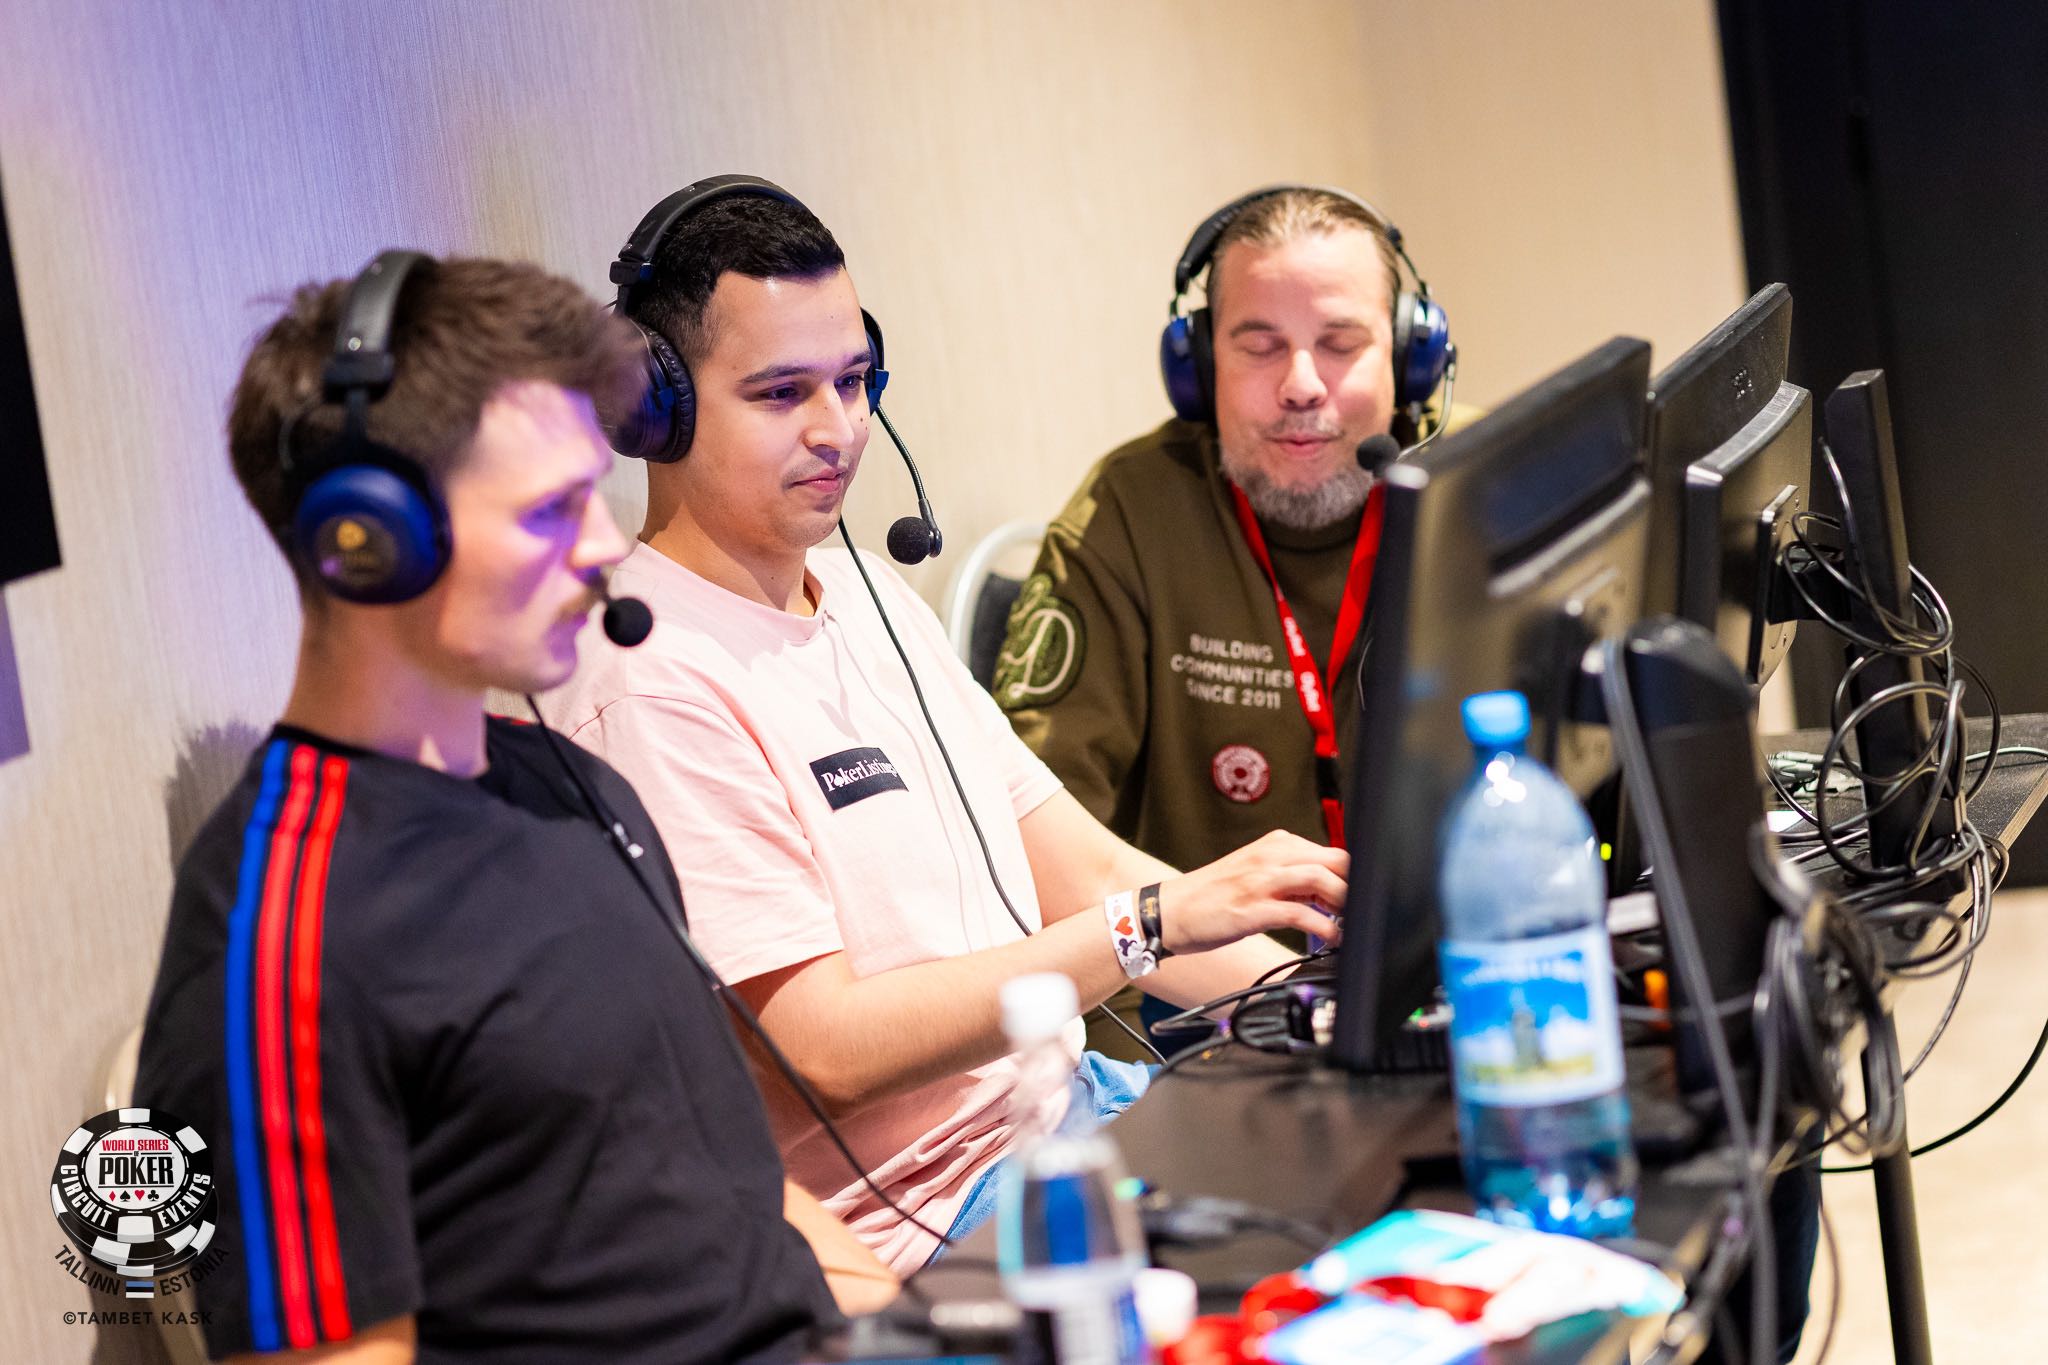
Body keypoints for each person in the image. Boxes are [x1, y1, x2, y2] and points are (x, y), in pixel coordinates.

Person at [543, 176, 1347, 1274]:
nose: (837, 431)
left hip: (1078, 1116)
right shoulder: (645, 676)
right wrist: (1147, 926)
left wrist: (1316, 1010)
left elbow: (1081, 869)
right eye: (781, 394)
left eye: (853, 381)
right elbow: (822, 1050)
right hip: (934, 1222)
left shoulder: (869, 593)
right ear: (655, 408)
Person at [135, 251, 891, 1364]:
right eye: (550, 510)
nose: (603, 545)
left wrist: (912, 1331)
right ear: (366, 541)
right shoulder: (280, 935)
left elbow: (737, 1183)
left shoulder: (574, 787)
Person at [993, 185, 1452, 876]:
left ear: (1411, 358)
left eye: (1340, 344)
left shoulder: (1484, 483)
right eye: (1261, 346)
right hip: (1213, 946)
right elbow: (1030, 839)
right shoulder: (1131, 511)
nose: (1302, 385)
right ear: (1201, 368)